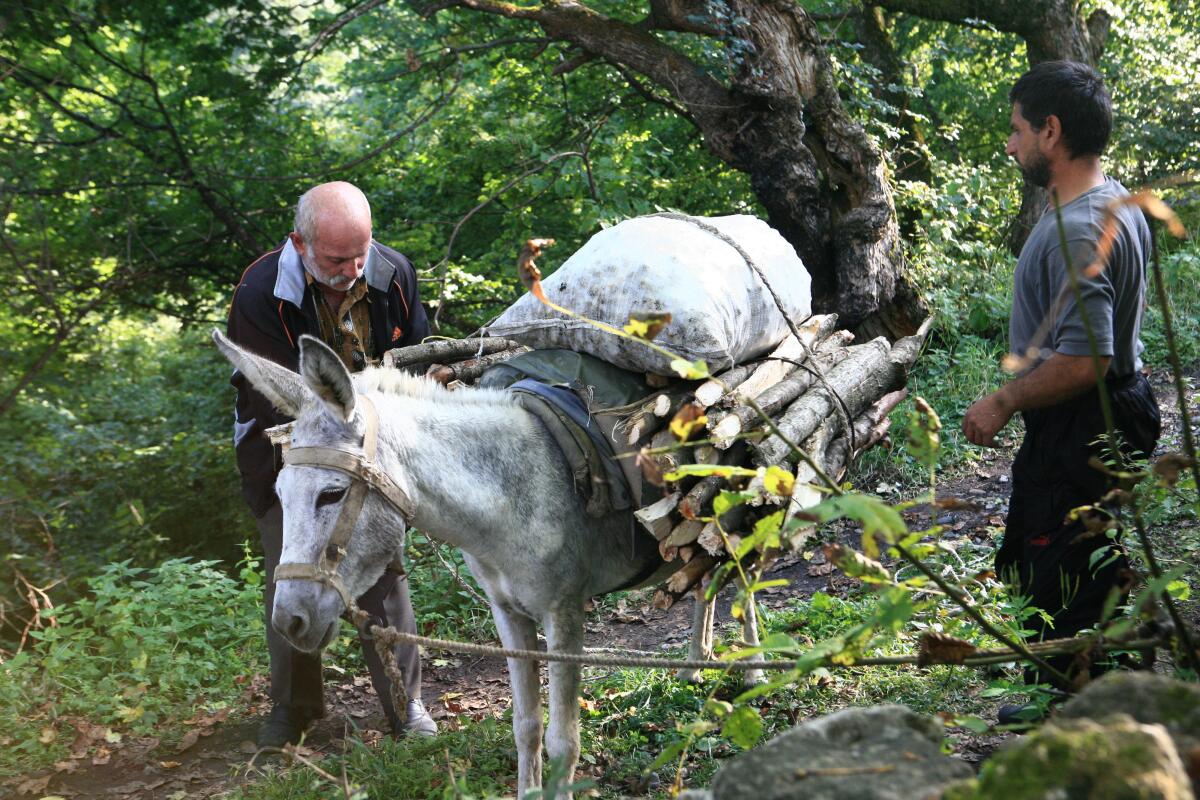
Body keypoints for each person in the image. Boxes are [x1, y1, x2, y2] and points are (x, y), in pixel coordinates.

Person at [962, 61, 1161, 699]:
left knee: (1059, 567)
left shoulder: (1078, 229)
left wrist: (1002, 400)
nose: (1010, 144)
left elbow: (1086, 359)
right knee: (1089, 554)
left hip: (1086, 419)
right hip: (1113, 408)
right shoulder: (1112, 200)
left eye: (1017, 130)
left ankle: (1069, 709)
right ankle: (1118, 689)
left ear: (1050, 131)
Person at [226, 181, 436, 747]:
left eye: (360, 254)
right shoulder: (260, 293)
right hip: (283, 452)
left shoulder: (393, 272)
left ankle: (406, 705)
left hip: (371, 444)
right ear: (300, 243)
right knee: (293, 564)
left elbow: (414, 359)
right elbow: (278, 395)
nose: (352, 270)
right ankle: (294, 707)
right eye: (337, 259)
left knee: (381, 566)